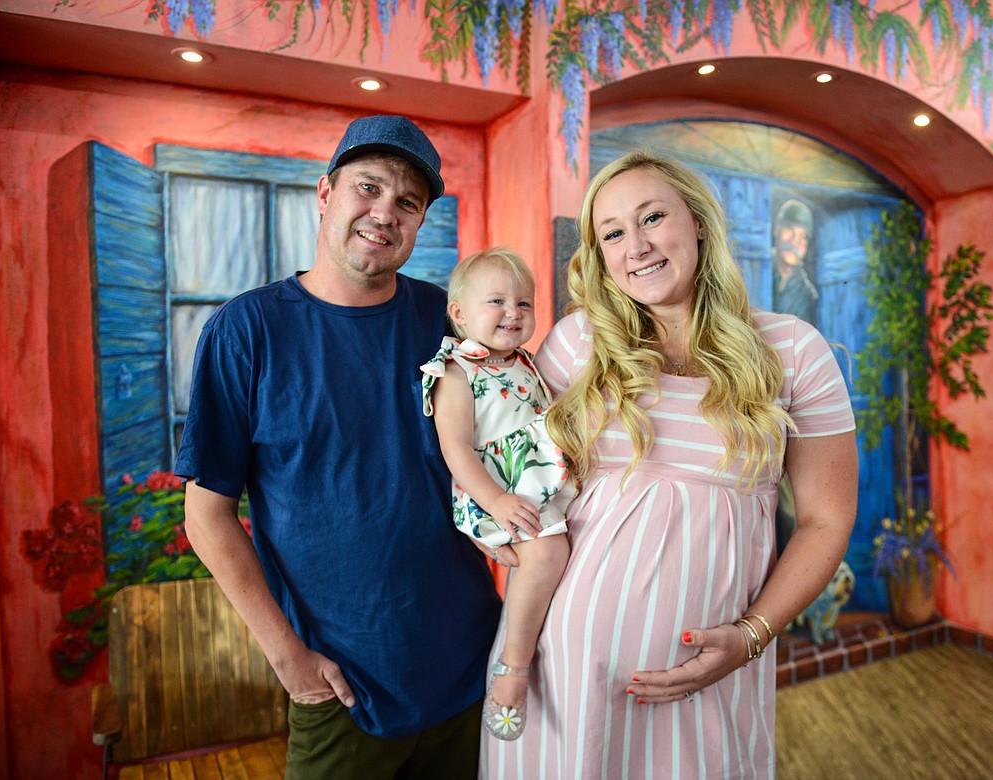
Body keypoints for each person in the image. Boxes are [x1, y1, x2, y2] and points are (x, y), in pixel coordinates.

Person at [481, 151, 858, 778]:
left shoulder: (793, 351)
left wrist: (750, 637)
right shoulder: (576, 344)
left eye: (653, 217)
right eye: (613, 233)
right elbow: (509, 475)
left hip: (715, 675)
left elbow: (826, 519)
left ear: (699, 223)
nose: (637, 245)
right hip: (564, 666)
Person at [175, 115, 502, 779]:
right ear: (325, 192)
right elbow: (206, 515)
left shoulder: (447, 320)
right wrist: (288, 658)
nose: (385, 213)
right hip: (344, 691)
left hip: (471, 671)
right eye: (368, 188)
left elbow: (516, 447)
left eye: (408, 202)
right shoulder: (247, 331)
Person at [420, 247, 572, 742]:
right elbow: (457, 449)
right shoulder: (456, 371)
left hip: (536, 477)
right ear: (460, 314)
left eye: (524, 304)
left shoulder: (525, 361)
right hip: (497, 487)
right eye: (498, 302)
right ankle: (514, 667)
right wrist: (496, 502)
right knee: (547, 553)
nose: (513, 313)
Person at [771, 196, 819, 325]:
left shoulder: (808, 294)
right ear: (776, 228)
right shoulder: (755, 270)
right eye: (789, 230)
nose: (794, 241)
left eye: (802, 237)